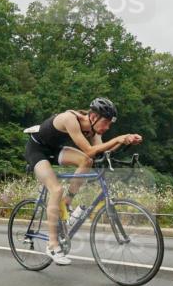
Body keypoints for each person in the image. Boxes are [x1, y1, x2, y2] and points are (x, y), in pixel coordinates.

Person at [24, 97, 142, 265]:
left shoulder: (94, 131)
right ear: (93, 117)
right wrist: (117, 138)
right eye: (106, 123)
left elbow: (98, 153)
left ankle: (67, 202)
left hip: (54, 150)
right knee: (56, 190)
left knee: (86, 161)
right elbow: (89, 149)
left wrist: (126, 140)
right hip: (37, 150)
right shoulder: (69, 119)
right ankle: (52, 245)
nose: (107, 127)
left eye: (110, 124)